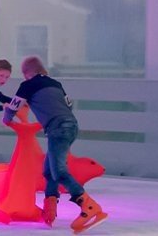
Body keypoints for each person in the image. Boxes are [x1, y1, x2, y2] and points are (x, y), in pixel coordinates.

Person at [7, 56, 107, 233]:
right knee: (49, 170)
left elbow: (13, 107)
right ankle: (50, 208)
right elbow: (69, 105)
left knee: (59, 171)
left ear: (26, 73)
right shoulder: (56, 84)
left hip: (58, 129)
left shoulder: (28, 85)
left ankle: (89, 206)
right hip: (71, 126)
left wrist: (6, 119)